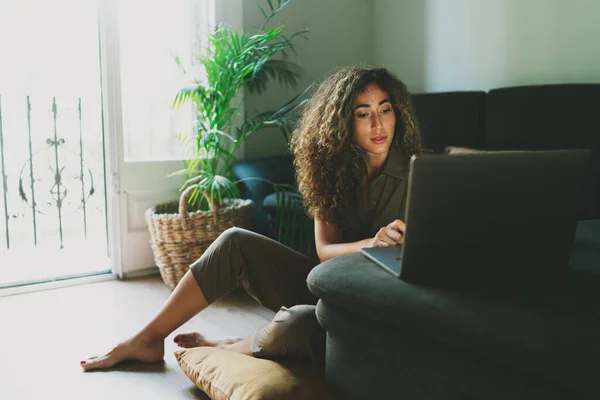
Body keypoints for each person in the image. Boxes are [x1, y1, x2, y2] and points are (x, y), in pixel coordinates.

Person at [80, 66, 425, 371]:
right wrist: (368, 244)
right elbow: (324, 251)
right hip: (323, 285)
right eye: (363, 114)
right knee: (234, 242)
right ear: (344, 123)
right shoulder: (331, 169)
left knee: (305, 322)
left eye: (385, 109)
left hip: (371, 306)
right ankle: (147, 339)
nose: (378, 124)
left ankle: (230, 345)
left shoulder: (420, 172)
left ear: (398, 114)